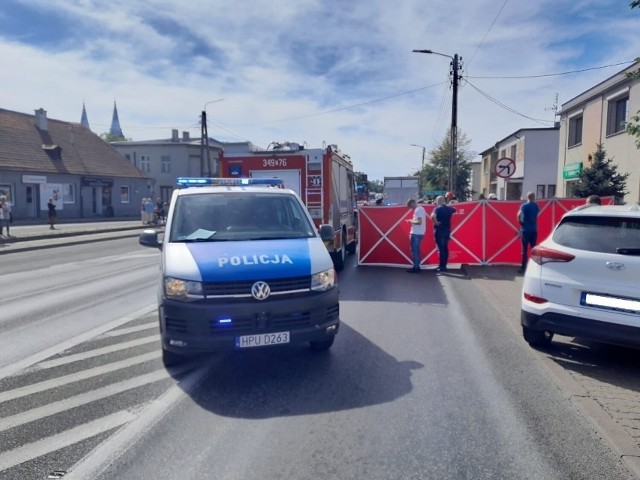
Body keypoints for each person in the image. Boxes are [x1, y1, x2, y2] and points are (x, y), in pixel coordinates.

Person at [431, 195, 456, 272]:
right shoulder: (449, 208)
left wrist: (435, 222)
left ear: (437, 201)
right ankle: (444, 266)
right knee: (445, 248)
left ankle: (441, 267)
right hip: (447, 231)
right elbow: (454, 209)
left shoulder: (437, 208)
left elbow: (432, 215)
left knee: (441, 249)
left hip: (439, 231)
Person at [517, 191, 539, 273]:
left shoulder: (524, 206)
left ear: (527, 197)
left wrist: (521, 222)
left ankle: (523, 268)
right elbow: (536, 215)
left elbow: (519, 215)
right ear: (534, 197)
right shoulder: (536, 206)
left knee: (524, 250)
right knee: (533, 249)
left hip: (525, 230)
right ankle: (534, 268)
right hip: (534, 229)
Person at [405, 198, 427, 273]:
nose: (411, 208)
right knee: (416, 250)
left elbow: (419, 222)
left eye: (410, 206)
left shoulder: (418, 209)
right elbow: (419, 221)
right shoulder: (421, 209)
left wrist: (410, 221)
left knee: (415, 251)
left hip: (416, 233)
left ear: (413, 203)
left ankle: (416, 267)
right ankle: (416, 266)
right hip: (419, 233)